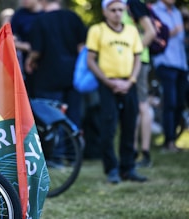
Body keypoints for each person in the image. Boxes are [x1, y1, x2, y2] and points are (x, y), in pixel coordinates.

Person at [87, 0, 147, 183]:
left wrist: (131, 81)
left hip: (128, 85)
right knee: (108, 128)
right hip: (108, 85)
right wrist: (107, 81)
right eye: (113, 10)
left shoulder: (132, 30)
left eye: (121, 9)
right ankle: (112, 169)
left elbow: (138, 58)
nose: (117, 13)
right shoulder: (97, 30)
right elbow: (90, 60)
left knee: (130, 127)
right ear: (105, 11)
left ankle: (128, 168)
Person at [25, 0, 87, 129]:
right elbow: (82, 47)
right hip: (73, 75)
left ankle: (58, 148)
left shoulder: (40, 21)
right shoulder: (72, 17)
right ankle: (75, 146)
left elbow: (36, 51)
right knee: (74, 116)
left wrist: (29, 61)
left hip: (48, 79)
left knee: (52, 119)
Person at [123, 0, 157, 167]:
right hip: (136, 61)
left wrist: (133, 53)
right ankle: (134, 151)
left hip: (138, 62)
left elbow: (151, 32)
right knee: (137, 106)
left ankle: (144, 154)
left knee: (142, 105)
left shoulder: (134, 3)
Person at [151, 0, 188, 152]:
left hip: (181, 63)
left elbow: (181, 39)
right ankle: (169, 141)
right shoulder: (154, 11)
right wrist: (176, 30)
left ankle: (173, 138)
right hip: (165, 62)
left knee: (180, 102)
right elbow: (156, 35)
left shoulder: (178, 13)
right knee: (170, 103)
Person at [11, 0, 43, 96]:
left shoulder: (46, 13)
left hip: (47, 64)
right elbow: (10, 39)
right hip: (27, 66)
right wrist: (24, 46)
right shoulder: (19, 15)